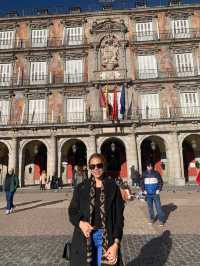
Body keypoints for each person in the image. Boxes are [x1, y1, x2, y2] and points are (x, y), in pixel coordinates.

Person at [68, 153, 125, 266]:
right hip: (85, 238)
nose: (96, 169)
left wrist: (116, 244)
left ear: (104, 165)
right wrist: (80, 223)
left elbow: (119, 219)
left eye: (99, 165)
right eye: (92, 166)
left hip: (107, 239)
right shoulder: (81, 188)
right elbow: (72, 211)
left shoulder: (113, 187)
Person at [141, 161, 165, 226]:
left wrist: (158, 189)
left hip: (155, 193)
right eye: (149, 166)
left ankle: (161, 220)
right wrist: (143, 190)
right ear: (147, 167)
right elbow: (142, 183)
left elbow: (160, 182)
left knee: (158, 207)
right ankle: (151, 219)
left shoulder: (156, 173)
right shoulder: (144, 174)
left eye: (151, 166)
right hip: (148, 194)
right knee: (150, 207)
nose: (150, 167)